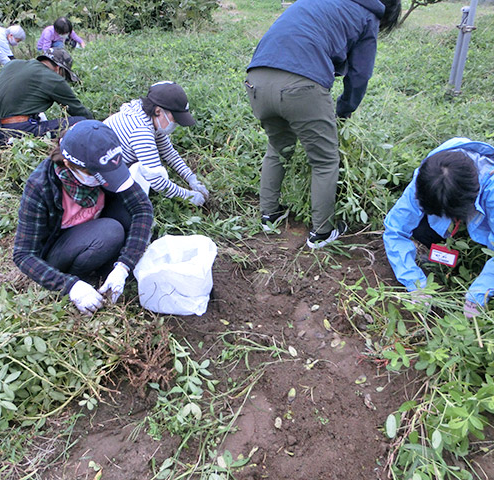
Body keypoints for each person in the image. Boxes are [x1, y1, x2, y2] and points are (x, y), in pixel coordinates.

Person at [245, 0, 401, 247]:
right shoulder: (369, 14)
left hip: (257, 79)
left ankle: (269, 215)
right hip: (301, 84)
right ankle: (322, 232)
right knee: (324, 160)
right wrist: (344, 111)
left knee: (278, 148)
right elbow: (359, 74)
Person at [13, 120, 153, 316]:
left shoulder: (106, 162)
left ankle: (110, 270)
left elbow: (142, 208)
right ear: (69, 164)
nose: (102, 179)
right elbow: (23, 255)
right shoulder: (41, 186)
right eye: (93, 173)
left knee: (127, 210)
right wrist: (71, 286)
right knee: (110, 231)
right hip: (62, 251)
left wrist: (124, 265)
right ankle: (84, 278)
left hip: (95, 231)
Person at [383, 137, 494, 319]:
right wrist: (415, 284)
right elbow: (395, 229)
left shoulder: (491, 192)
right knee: (420, 229)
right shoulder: (429, 177)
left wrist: (478, 295)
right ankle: (448, 253)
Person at [103, 81, 209, 206]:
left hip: (114, 162)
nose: (176, 124)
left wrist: (191, 178)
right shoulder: (141, 131)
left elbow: (169, 154)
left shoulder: (149, 117)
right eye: (175, 119)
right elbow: (157, 181)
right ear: (159, 111)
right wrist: (188, 196)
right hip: (104, 175)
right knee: (155, 175)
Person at [0, 48, 93, 146]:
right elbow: (78, 111)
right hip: (14, 133)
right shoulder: (54, 79)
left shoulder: (12, 64)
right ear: (58, 69)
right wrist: (98, 125)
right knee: (81, 121)